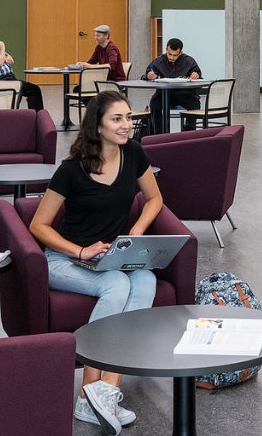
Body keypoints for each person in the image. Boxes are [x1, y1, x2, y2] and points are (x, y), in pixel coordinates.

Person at [26, 90, 164, 433]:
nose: (126, 125)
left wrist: (135, 230)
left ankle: (106, 393)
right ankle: (89, 395)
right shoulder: (71, 170)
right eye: (117, 119)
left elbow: (154, 199)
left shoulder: (133, 153)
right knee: (116, 285)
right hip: (64, 258)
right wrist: (79, 251)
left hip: (112, 255)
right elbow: (38, 225)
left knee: (146, 280)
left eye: (129, 118)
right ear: (97, 126)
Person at [0, 27, 44, 111]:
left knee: (34, 90)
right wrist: (2, 50)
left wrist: (1, 58)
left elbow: (11, 60)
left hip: (9, 79)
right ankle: (13, 117)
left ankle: (37, 117)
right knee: (17, 95)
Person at [143, 38, 202, 118]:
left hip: (185, 95)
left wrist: (196, 75)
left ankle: (188, 130)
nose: (172, 58)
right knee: (154, 103)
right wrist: (148, 75)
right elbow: (145, 76)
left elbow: (199, 78)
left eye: (175, 55)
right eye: (169, 54)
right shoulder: (159, 61)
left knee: (195, 104)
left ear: (180, 53)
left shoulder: (189, 62)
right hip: (163, 95)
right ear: (166, 49)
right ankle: (159, 130)